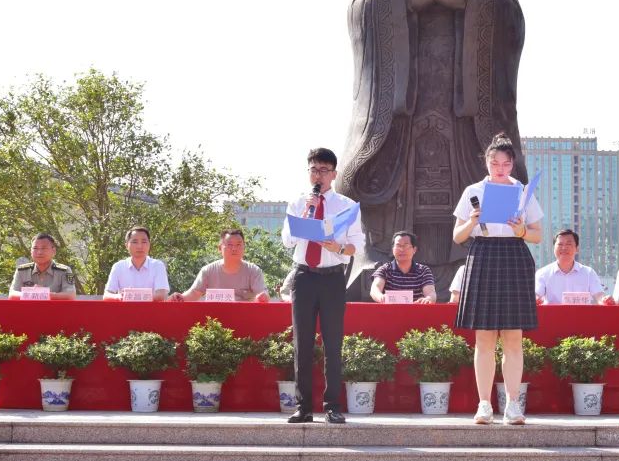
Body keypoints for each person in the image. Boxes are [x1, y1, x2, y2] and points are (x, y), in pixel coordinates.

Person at [338, 0, 528, 293]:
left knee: (474, 194)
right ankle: (383, 267)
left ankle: (470, 270)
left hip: (467, 120)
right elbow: (356, 18)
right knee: (388, 202)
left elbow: (514, 27)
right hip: (400, 119)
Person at [452, 133, 542, 426]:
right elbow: (457, 236)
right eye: (494, 163)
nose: (499, 168)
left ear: (512, 164)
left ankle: (513, 405)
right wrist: (473, 221)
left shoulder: (523, 191)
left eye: (505, 163)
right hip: (483, 256)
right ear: (487, 162)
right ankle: (484, 405)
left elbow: (538, 235)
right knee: (484, 337)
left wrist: (521, 232)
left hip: (514, 256)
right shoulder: (473, 191)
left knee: (514, 336)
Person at [281, 147, 364, 424]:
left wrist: (337, 246)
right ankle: (303, 407)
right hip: (303, 276)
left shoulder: (347, 206)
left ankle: (332, 406)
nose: (319, 175)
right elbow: (287, 242)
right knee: (302, 342)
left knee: (333, 342)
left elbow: (356, 246)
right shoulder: (297, 203)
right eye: (314, 170)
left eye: (324, 170)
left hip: (331, 277)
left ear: (334, 174)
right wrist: (305, 217)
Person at [169, 229, 269, 302]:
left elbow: (262, 294)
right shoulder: (208, 270)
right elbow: (194, 293)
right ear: (219, 248)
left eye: (238, 244)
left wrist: (262, 297)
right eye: (229, 245)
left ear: (244, 247)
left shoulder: (253, 271)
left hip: (244, 318)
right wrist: (180, 298)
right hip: (214, 319)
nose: (234, 248)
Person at [534, 229, 613, 305]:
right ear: (554, 248)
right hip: (552, 317)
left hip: (581, 317)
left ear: (577, 248)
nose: (564, 248)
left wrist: (605, 300)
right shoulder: (543, 273)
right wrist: (536, 299)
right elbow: (536, 294)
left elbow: (599, 295)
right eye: (560, 244)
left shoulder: (588, 273)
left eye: (568, 244)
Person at [103, 227, 169, 302]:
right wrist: (119, 297)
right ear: (126, 245)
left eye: (144, 242)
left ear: (149, 244)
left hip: (151, 312)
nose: (139, 246)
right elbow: (107, 295)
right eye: (134, 242)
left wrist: (131, 297)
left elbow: (161, 296)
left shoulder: (158, 266)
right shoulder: (118, 267)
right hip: (124, 312)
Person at [370, 231, 437, 303]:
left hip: (416, 312)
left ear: (414, 250)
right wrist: (381, 297)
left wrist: (428, 299)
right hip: (390, 312)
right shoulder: (384, 269)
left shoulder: (423, 271)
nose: (401, 249)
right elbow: (375, 288)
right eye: (398, 246)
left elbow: (431, 292)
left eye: (406, 246)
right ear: (393, 249)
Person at [7, 233, 76, 300]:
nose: (39, 252)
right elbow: (12, 295)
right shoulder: (21, 271)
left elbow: (71, 295)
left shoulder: (65, 270)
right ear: (31, 251)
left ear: (54, 251)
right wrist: (34, 294)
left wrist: (43, 293)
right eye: (35, 248)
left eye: (44, 248)